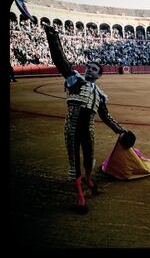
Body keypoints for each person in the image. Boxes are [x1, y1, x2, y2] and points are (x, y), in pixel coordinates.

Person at [42, 23, 130, 214]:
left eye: (94, 69)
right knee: (74, 161)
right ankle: (80, 197)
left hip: (87, 129)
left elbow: (106, 117)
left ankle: (89, 179)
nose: (89, 70)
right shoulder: (74, 80)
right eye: (88, 67)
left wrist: (121, 130)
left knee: (89, 158)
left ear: (99, 75)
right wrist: (52, 37)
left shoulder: (100, 95)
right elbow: (60, 60)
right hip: (72, 127)